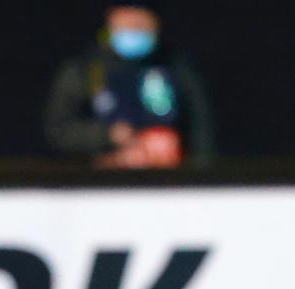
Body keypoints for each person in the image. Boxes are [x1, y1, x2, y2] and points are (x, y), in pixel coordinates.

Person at [43, 2, 215, 169]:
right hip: (100, 179)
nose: (134, 27)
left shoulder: (174, 66)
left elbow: (201, 129)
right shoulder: (85, 69)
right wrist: (110, 135)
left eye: (141, 20)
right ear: (111, 19)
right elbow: (59, 132)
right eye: (128, 19)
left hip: (167, 177)